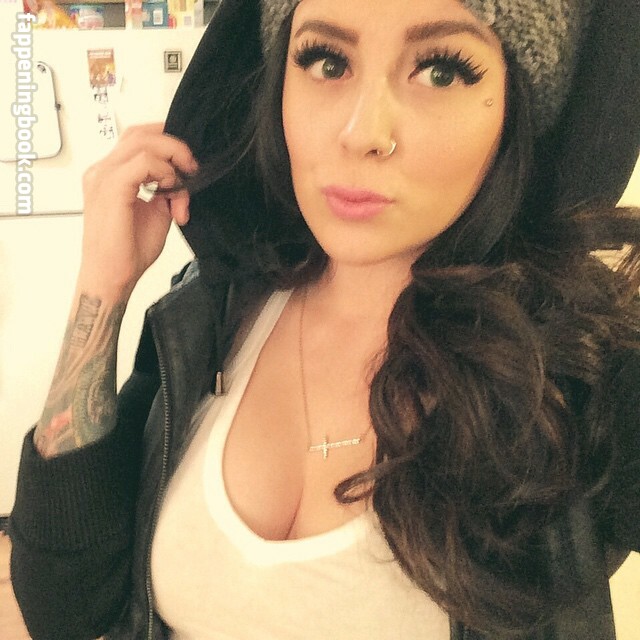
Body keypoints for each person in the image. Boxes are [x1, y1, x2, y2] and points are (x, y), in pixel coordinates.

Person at [8, 0, 640, 638]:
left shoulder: (574, 370)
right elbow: (66, 606)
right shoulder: (213, 314)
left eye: (441, 71)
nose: (362, 131)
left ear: (517, 110)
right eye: (327, 61)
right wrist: (103, 285)